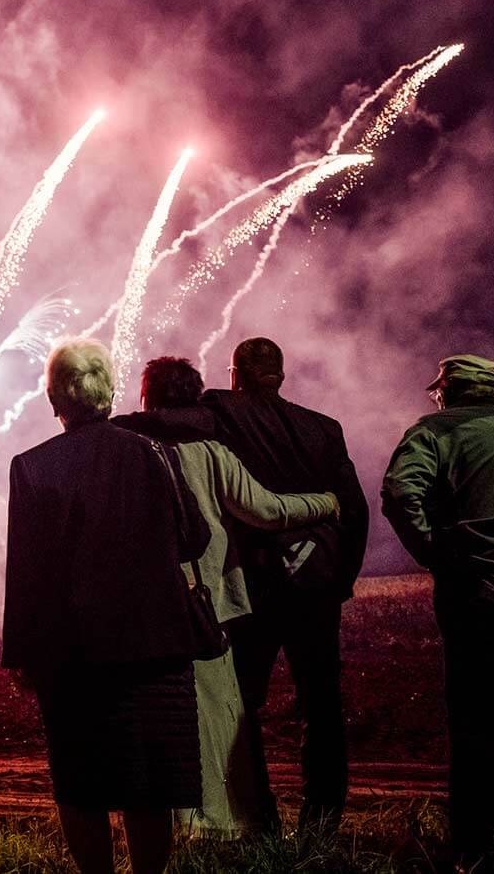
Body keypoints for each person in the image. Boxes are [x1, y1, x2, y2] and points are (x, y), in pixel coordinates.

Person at [3, 339, 209, 874]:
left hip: (72, 652)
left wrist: (22, 654)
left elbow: (25, 572)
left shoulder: (32, 467)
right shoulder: (153, 453)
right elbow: (195, 538)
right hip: (155, 645)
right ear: (110, 394)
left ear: (54, 400)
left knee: (82, 781)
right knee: (150, 783)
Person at [114, 357, 340, 839]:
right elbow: (267, 510)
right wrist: (325, 501)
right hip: (209, 601)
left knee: (157, 718)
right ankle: (227, 822)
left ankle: (170, 823)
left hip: (147, 604)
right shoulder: (213, 452)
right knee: (219, 713)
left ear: (146, 397)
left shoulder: (128, 450)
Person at [199, 337, 368, 834]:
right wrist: (341, 578)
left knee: (243, 703)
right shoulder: (323, 428)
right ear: (282, 376)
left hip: (253, 583)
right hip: (315, 586)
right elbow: (352, 509)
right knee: (320, 702)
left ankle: (259, 816)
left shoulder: (220, 411)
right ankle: (322, 820)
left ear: (235, 376)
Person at [381, 354, 494, 870]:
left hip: (481, 599)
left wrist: (435, 553)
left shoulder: (432, 432)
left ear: (447, 392)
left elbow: (400, 492)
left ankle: (482, 853)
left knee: (478, 730)